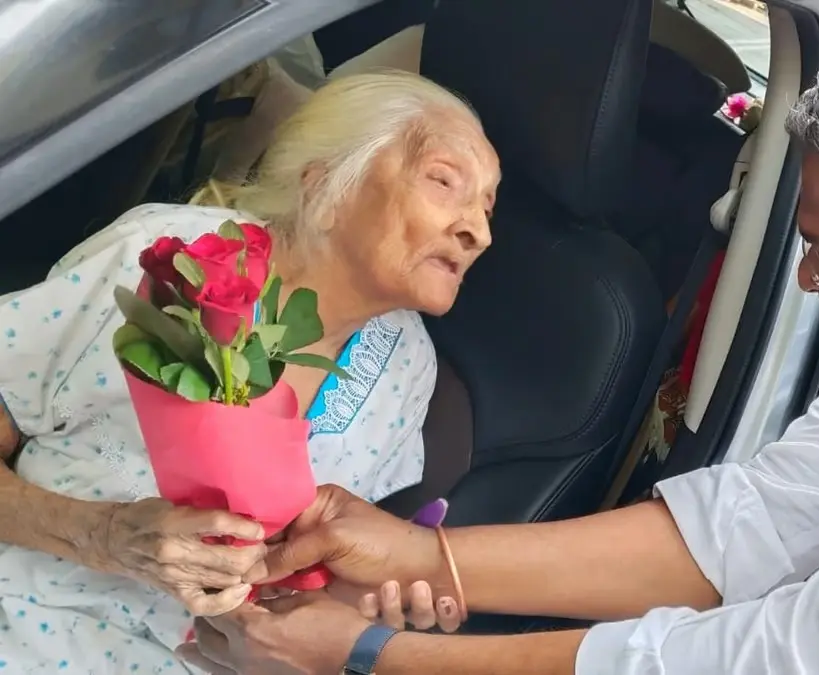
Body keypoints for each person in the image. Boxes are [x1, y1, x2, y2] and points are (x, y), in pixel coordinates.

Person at [185, 2, 819, 674]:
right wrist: (418, 552)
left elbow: (786, 656)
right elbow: (749, 524)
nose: (809, 283)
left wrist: (367, 655)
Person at [0, 71, 498, 673]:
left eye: (488, 205)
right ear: (325, 185)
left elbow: (306, 586)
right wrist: (101, 534)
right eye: (445, 182)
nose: (479, 232)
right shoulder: (166, 257)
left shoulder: (407, 367)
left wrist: (370, 605)